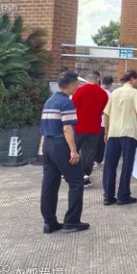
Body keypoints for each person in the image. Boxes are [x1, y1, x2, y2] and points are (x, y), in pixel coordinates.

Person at [40, 71, 89, 234]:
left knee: (50, 183)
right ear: (70, 84)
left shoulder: (50, 101)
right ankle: (72, 221)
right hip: (61, 144)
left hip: (47, 144)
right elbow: (67, 128)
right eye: (77, 84)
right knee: (76, 181)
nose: (77, 87)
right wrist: (73, 150)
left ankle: (49, 222)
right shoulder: (66, 103)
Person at [103, 70, 137, 206]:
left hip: (113, 132)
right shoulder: (136, 93)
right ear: (132, 79)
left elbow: (106, 114)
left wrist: (106, 132)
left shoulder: (115, 93)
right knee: (127, 164)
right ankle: (123, 194)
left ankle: (108, 196)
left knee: (110, 165)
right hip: (129, 133)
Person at [71, 70, 109, 186]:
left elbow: (73, 108)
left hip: (79, 127)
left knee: (74, 149)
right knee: (89, 153)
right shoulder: (103, 94)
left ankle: (71, 172)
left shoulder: (79, 91)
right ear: (97, 79)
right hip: (95, 128)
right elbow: (104, 111)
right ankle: (85, 175)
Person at [95, 75, 114, 167]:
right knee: (101, 143)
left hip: (94, 120)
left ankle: (92, 159)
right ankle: (98, 159)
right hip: (104, 122)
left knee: (94, 141)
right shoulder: (110, 94)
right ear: (110, 84)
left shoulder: (96, 91)